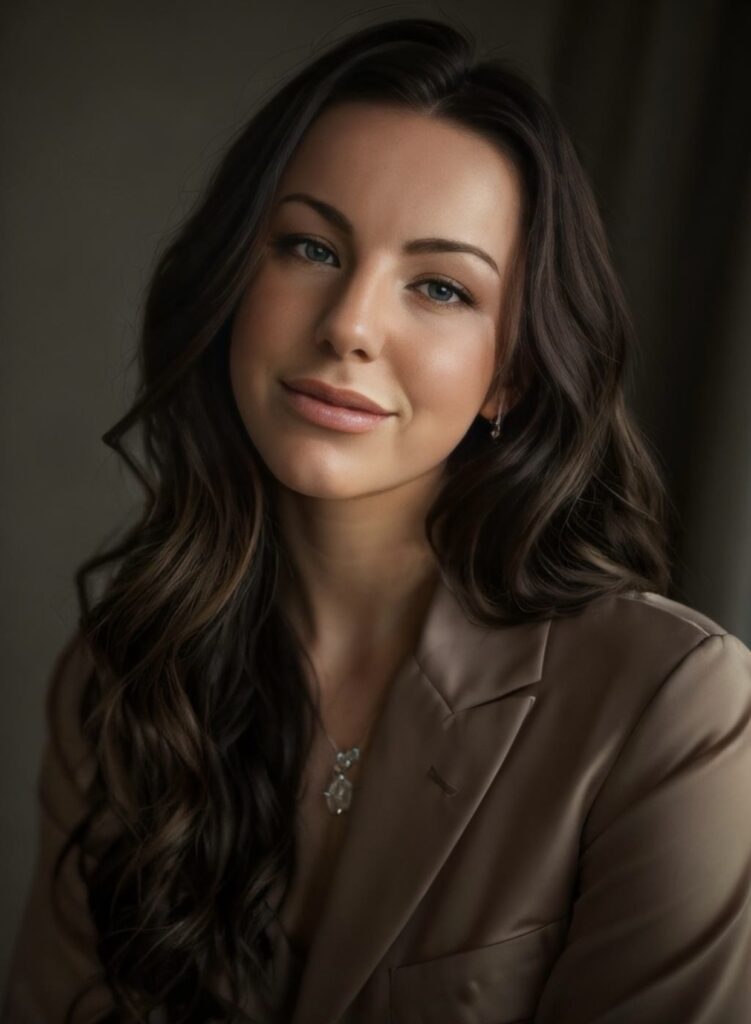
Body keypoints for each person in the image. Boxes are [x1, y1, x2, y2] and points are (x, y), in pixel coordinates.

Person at [3, 16, 750, 1024]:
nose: (350, 323)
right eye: (310, 246)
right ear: (232, 284)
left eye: (439, 286)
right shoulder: (124, 675)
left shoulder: (673, 706)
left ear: (513, 373)